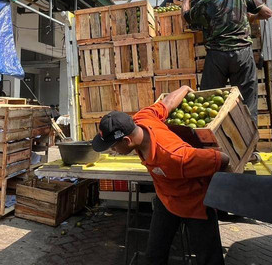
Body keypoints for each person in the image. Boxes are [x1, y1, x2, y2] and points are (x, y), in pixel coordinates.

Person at [91, 85, 230, 265]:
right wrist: (185, 88)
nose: (114, 151)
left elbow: (222, 159)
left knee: (209, 259)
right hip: (167, 200)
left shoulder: (174, 157)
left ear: (127, 140)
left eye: (114, 146)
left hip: (195, 203)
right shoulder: (142, 118)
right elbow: (168, 102)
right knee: (154, 256)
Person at [181, 0, 272, 123]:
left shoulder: (204, 4)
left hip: (216, 57)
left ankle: (212, 143)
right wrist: (249, 16)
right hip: (242, 55)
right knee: (246, 104)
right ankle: (250, 146)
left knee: (209, 102)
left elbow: (186, 16)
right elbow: (267, 13)